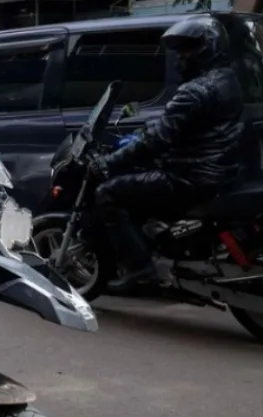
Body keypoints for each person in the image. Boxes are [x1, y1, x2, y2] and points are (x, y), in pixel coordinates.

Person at [92, 15, 244, 289]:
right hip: (219, 169)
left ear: (206, 48)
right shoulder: (227, 79)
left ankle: (141, 270)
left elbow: (159, 140)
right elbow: (180, 126)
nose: (180, 58)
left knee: (108, 194)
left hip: (190, 175)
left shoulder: (194, 91)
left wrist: (109, 161)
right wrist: (146, 129)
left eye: (187, 50)